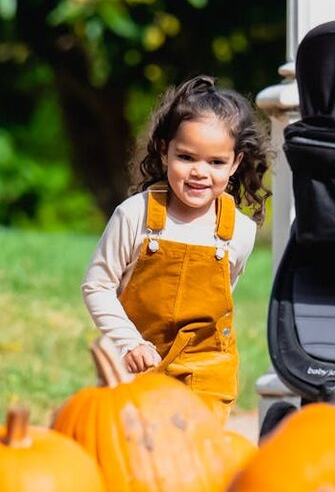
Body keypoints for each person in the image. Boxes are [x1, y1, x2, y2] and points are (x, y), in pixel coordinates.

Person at [82, 75, 271, 423]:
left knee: (197, 455)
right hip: (135, 363)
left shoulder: (240, 232)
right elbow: (97, 285)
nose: (200, 172)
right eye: (186, 157)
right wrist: (128, 343)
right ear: (165, 150)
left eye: (215, 162)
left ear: (235, 163)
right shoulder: (134, 215)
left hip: (205, 370)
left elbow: (221, 298)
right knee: (133, 448)